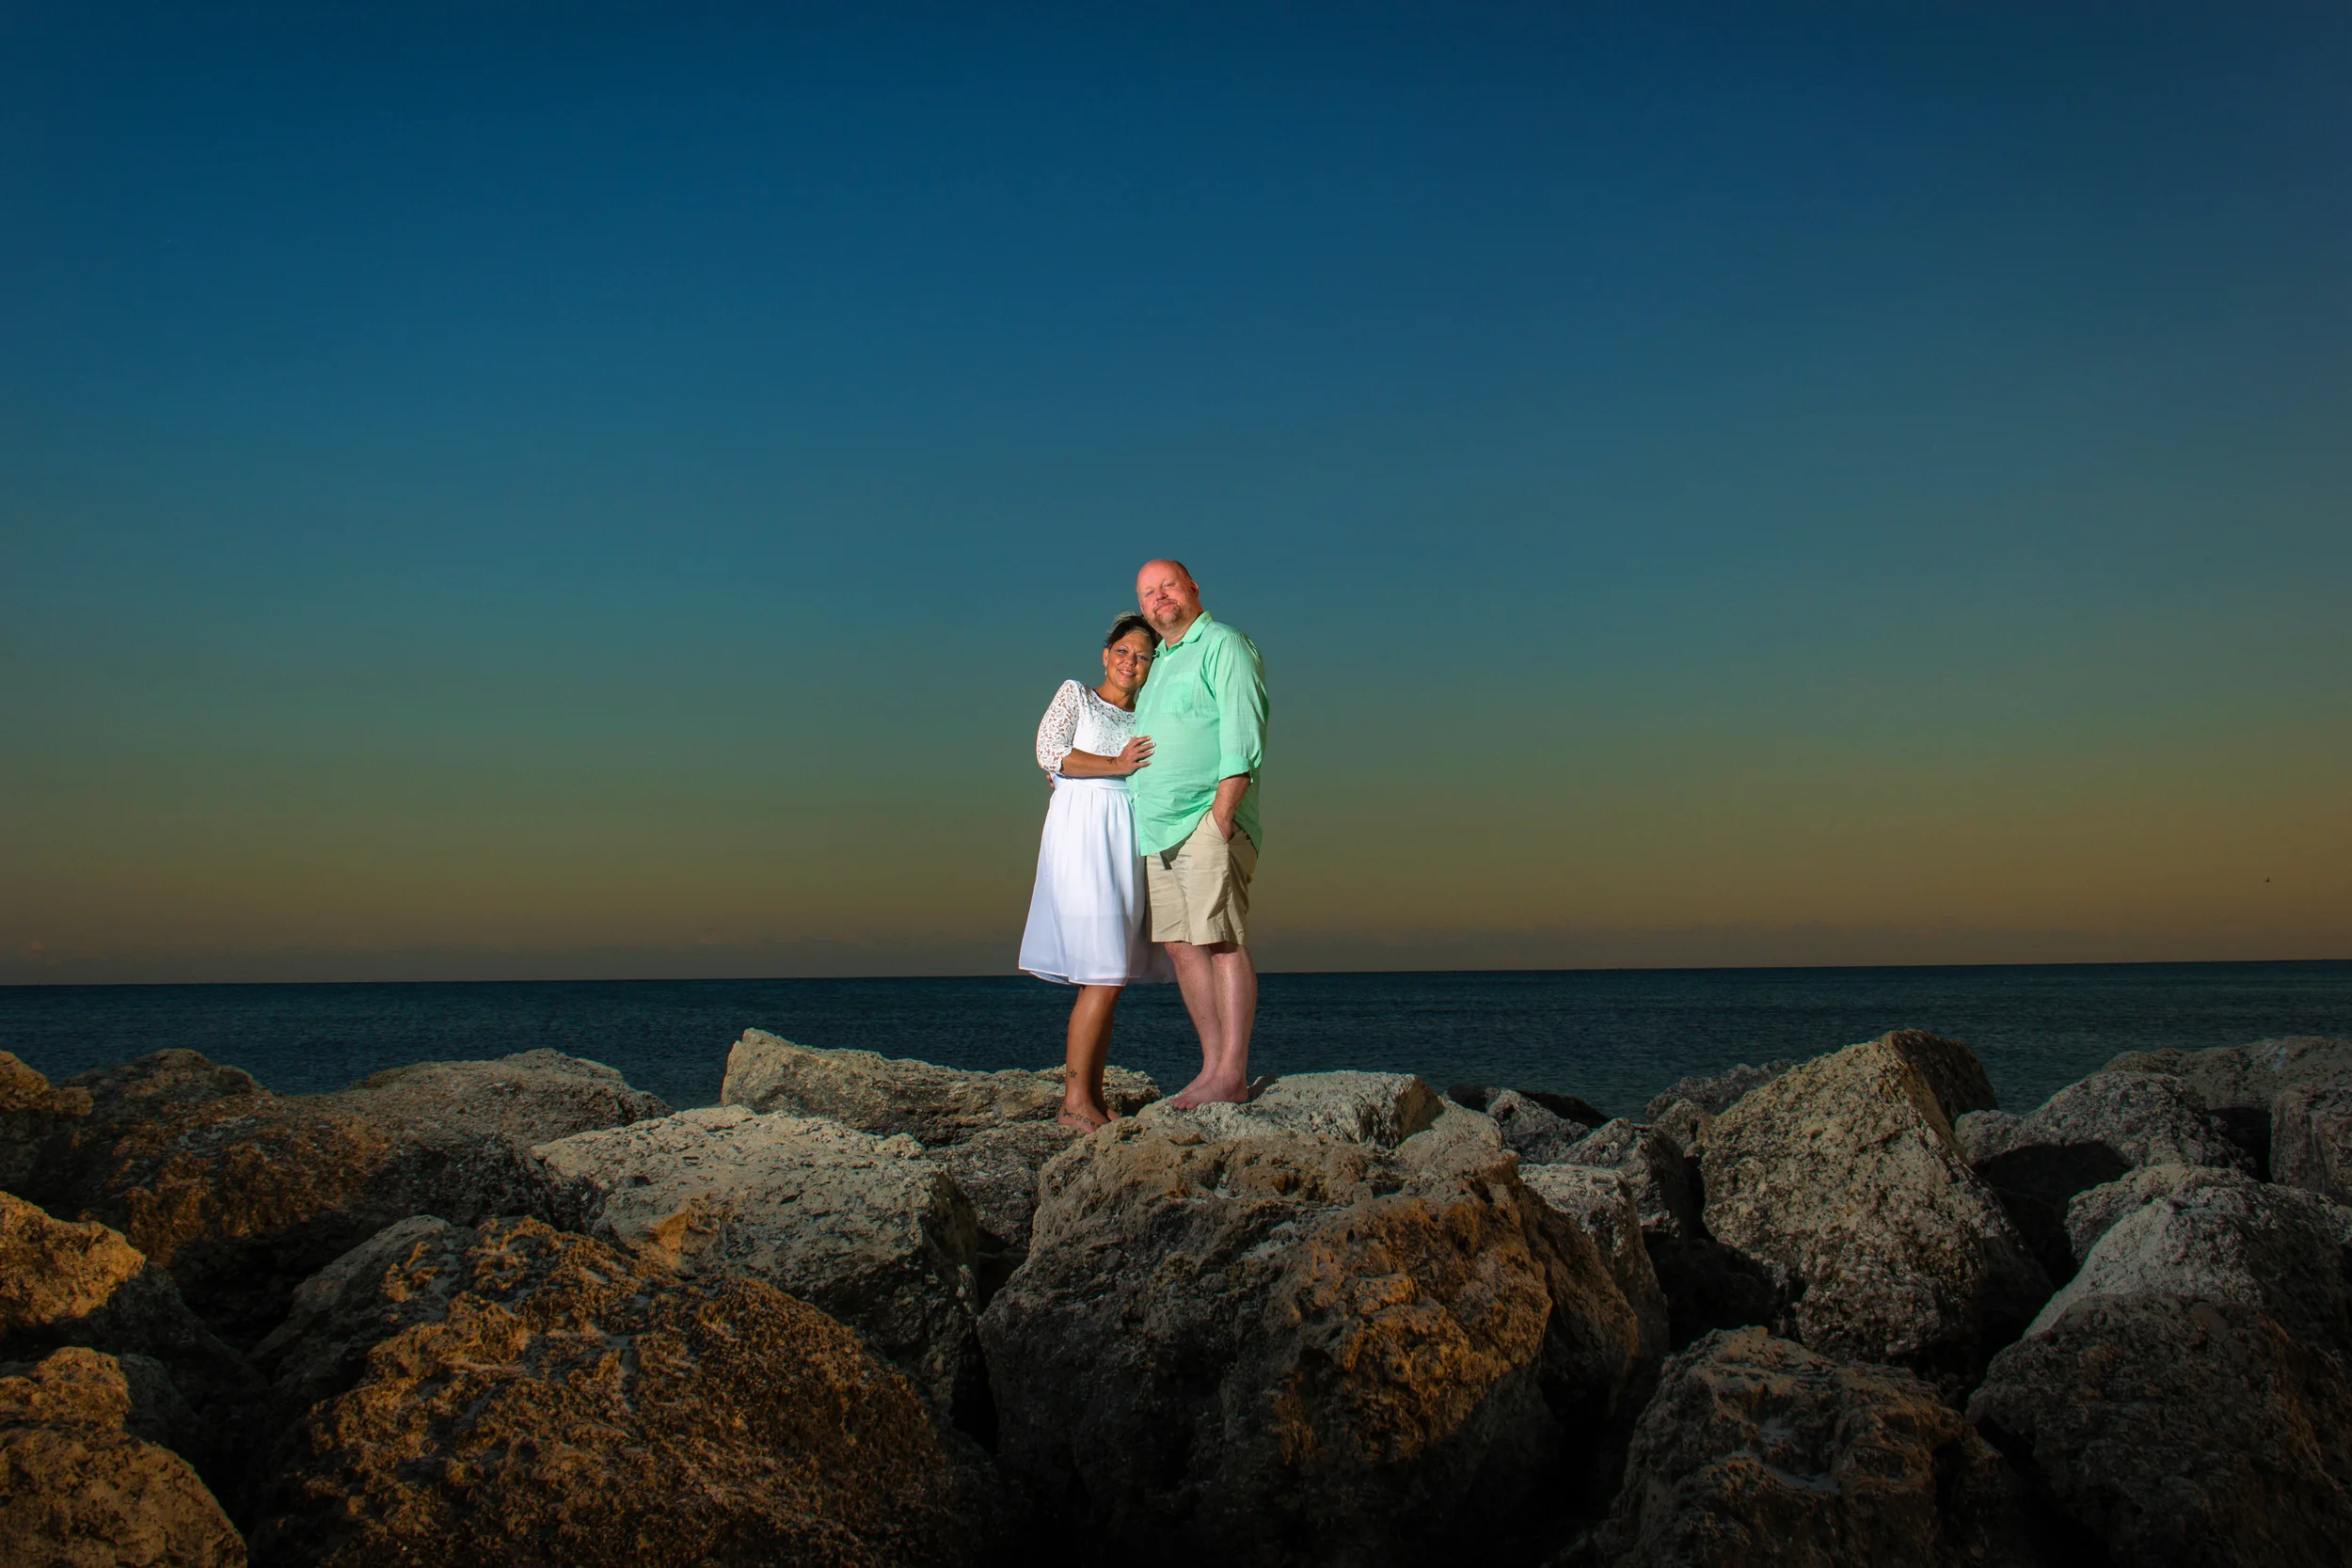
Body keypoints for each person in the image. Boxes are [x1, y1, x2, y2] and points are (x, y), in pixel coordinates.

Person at [1017, 612, 1171, 1131]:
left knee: (1110, 976)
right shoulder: (1076, 696)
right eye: (1123, 651)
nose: (1132, 661)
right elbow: (1049, 752)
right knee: (1101, 973)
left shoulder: (1149, 714)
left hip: (1127, 837)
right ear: (1106, 654)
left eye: (1144, 655)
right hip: (1083, 833)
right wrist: (1115, 766)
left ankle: (1092, 1095)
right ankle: (1073, 1103)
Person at [1127, 560, 1268, 1108]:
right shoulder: (1158, 663)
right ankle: (1212, 1069)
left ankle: (1232, 1073)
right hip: (1158, 831)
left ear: (1192, 589)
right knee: (1183, 947)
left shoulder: (1225, 645)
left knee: (1221, 940)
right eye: (1148, 593)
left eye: (1167, 586)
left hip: (1205, 821)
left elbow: (1242, 731)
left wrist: (1221, 816)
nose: (1159, 597)